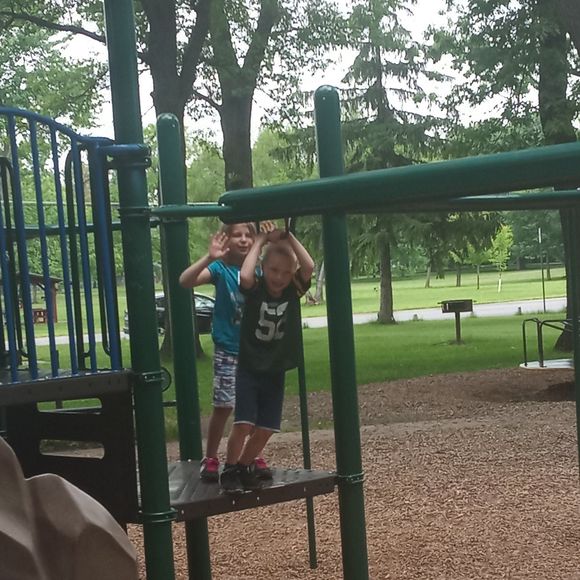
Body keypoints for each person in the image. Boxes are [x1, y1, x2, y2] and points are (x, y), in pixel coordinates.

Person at [219, 224, 314, 493]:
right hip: (250, 367)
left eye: (285, 272)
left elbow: (308, 266)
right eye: (273, 270)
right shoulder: (255, 288)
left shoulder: (292, 291)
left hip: (275, 369)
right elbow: (245, 274)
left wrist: (288, 237)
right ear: (263, 268)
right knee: (244, 423)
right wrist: (260, 240)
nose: (279, 277)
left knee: (267, 428)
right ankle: (229, 470)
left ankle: (244, 466)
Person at [179, 222, 272, 482]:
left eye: (248, 235)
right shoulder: (220, 269)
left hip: (255, 351)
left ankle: (251, 455)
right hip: (228, 350)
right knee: (224, 406)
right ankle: (210, 457)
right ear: (226, 240)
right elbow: (186, 281)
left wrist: (270, 240)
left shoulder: (260, 269)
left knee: (253, 408)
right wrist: (209, 257)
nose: (243, 240)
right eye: (236, 235)